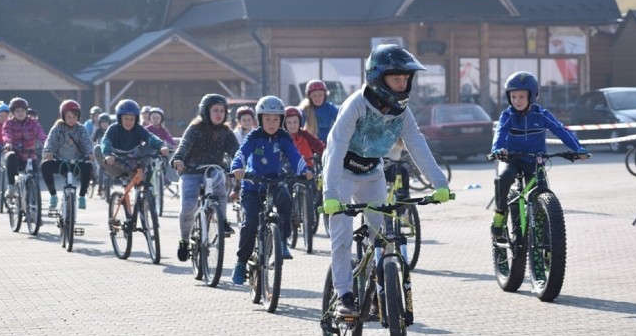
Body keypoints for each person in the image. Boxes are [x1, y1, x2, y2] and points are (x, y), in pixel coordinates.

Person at [321, 44, 451, 317]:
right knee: (342, 235)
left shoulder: (402, 113)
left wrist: (439, 184)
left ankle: (379, 290)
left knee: (378, 236)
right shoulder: (356, 105)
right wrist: (330, 193)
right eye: (397, 78)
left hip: (371, 174)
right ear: (378, 78)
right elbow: (335, 147)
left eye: (406, 78)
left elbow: (418, 145)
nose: (403, 84)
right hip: (341, 173)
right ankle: (343, 294)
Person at [490, 71, 588, 240]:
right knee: (504, 177)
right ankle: (499, 213)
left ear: (532, 96)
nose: (517, 101)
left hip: (535, 160)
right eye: (513, 97)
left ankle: (544, 232)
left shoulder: (542, 114)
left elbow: (560, 130)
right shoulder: (507, 115)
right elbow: (500, 133)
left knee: (540, 192)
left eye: (521, 97)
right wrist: (498, 149)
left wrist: (578, 148)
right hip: (512, 158)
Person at [230, 96, 311, 284]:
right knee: (250, 222)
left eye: (276, 119)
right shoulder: (254, 136)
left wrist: (303, 170)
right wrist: (237, 168)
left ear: (281, 120)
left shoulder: (283, 137)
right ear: (260, 119)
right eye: (267, 119)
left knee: (286, 202)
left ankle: (282, 241)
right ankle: (241, 263)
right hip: (252, 185)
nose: (272, 123)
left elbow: (294, 154)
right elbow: (241, 153)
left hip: (274, 182)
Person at [170, 94, 240, 262]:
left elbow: (236, 152)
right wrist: (178, 159)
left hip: (213, 169)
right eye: (215, 110)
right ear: (205, 112)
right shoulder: (195, 128)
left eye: (222, 111)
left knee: (220, 188)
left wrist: (241, 164)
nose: (219, 114)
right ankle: (184, 240)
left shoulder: (226, 132)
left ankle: (222, 221)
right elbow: (184, 145)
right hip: (191, 171)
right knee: (188, 205)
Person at [95, 99, 170, 180]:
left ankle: (141, 172)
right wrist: (107, 154)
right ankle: (122, 172)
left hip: (135, 157)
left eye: (132, 119)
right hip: (116, 158)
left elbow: (150, 137)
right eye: (126, 119)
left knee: (151, 145)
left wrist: (161, 146)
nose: (129, 122)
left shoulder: (138, 128)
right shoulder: (113, 128)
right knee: (97, 149)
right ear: (120, 118)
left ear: (136, 119)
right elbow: (105, 141)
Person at [41, 100, 94, 210]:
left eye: (74, 117)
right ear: (63, 116)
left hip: (76, 162)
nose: (71, 120)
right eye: (69, 117)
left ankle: (82, 196)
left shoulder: (81, 129)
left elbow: (86, 143)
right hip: (60, 162)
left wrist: (90, 153)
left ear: (78, 117)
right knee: (45, 165)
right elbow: (50, 140)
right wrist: (48, 151)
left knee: (89, 166)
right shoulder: (58, 128)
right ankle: (53, 195)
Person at [2, 97, 47, 198]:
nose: (20, 113)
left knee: (34, 176)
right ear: (13, 113)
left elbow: (40, 132)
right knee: (11, 157)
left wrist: (47, 142)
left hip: (30, 154)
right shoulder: (9, 123)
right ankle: (11, 187)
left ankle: (33, 196)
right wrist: (8, 143)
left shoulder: (33, 122)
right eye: (17, 111)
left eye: (22, 110)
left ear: (26, 111)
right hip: (15, 153)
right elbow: (6, 134)